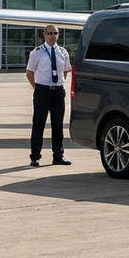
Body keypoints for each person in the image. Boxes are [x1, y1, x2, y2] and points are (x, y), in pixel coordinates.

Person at [27, 25, 73, 167]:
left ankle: (58, 155)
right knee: (39, 124)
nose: (53, 36)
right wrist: (37, 88)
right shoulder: (37, 53)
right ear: (44, 35)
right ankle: (35, 156)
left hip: (57, 91)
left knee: (58, 125)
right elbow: (29, 73)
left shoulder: (63, 52)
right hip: (42, 91)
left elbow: (66, 71)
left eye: (56, 33)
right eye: (50, 33)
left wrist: (59, 83)